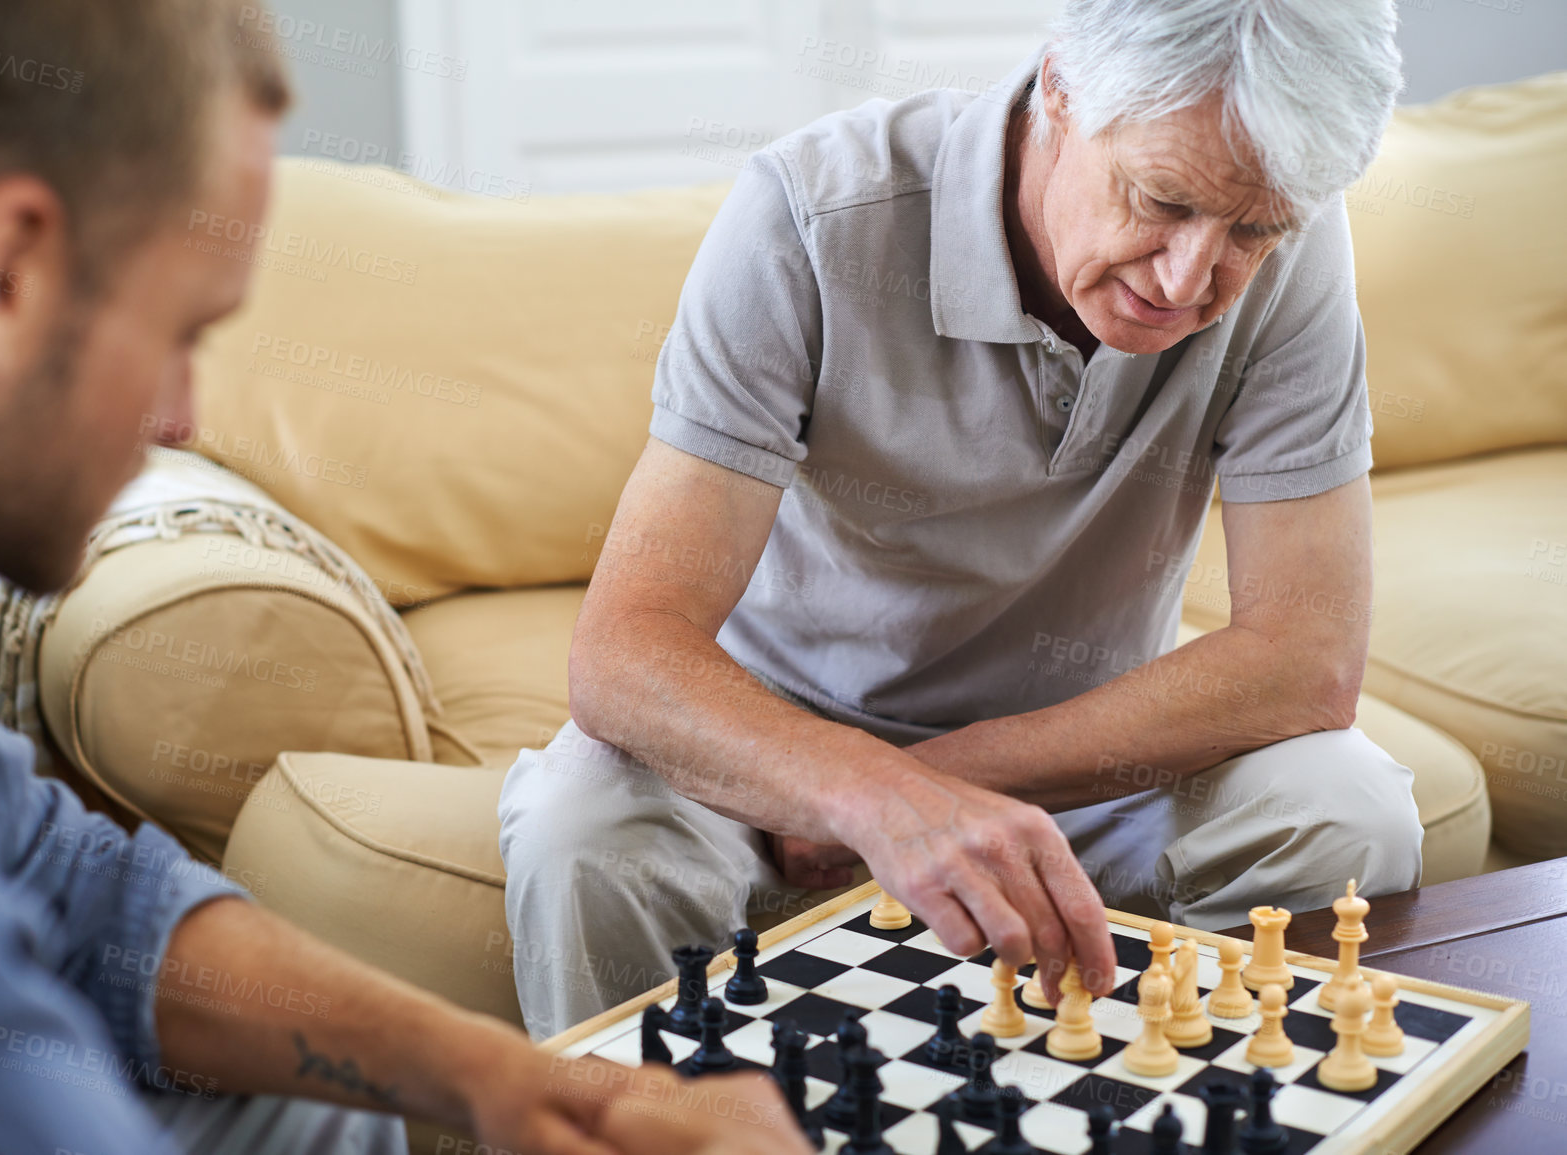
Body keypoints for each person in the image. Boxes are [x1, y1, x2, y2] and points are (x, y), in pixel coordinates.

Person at [0, 3, 808, 1153]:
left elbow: (63, 886)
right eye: (178, 332)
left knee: (323, 1123)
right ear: (4, 271)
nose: (183, 417)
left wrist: (526, 1087)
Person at [501, 0, 1428, 1040]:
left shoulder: (1291, 245)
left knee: (1347, 808)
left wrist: (929, 789)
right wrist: (850, 794)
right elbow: (625, 654)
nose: (1188, 280)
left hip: (1081, 780)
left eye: (1251, 233)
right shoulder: (809, 213)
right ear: (1060, 91)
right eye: (1160, 199)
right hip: (771, 779)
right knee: (578, 828)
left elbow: (1302, 659)